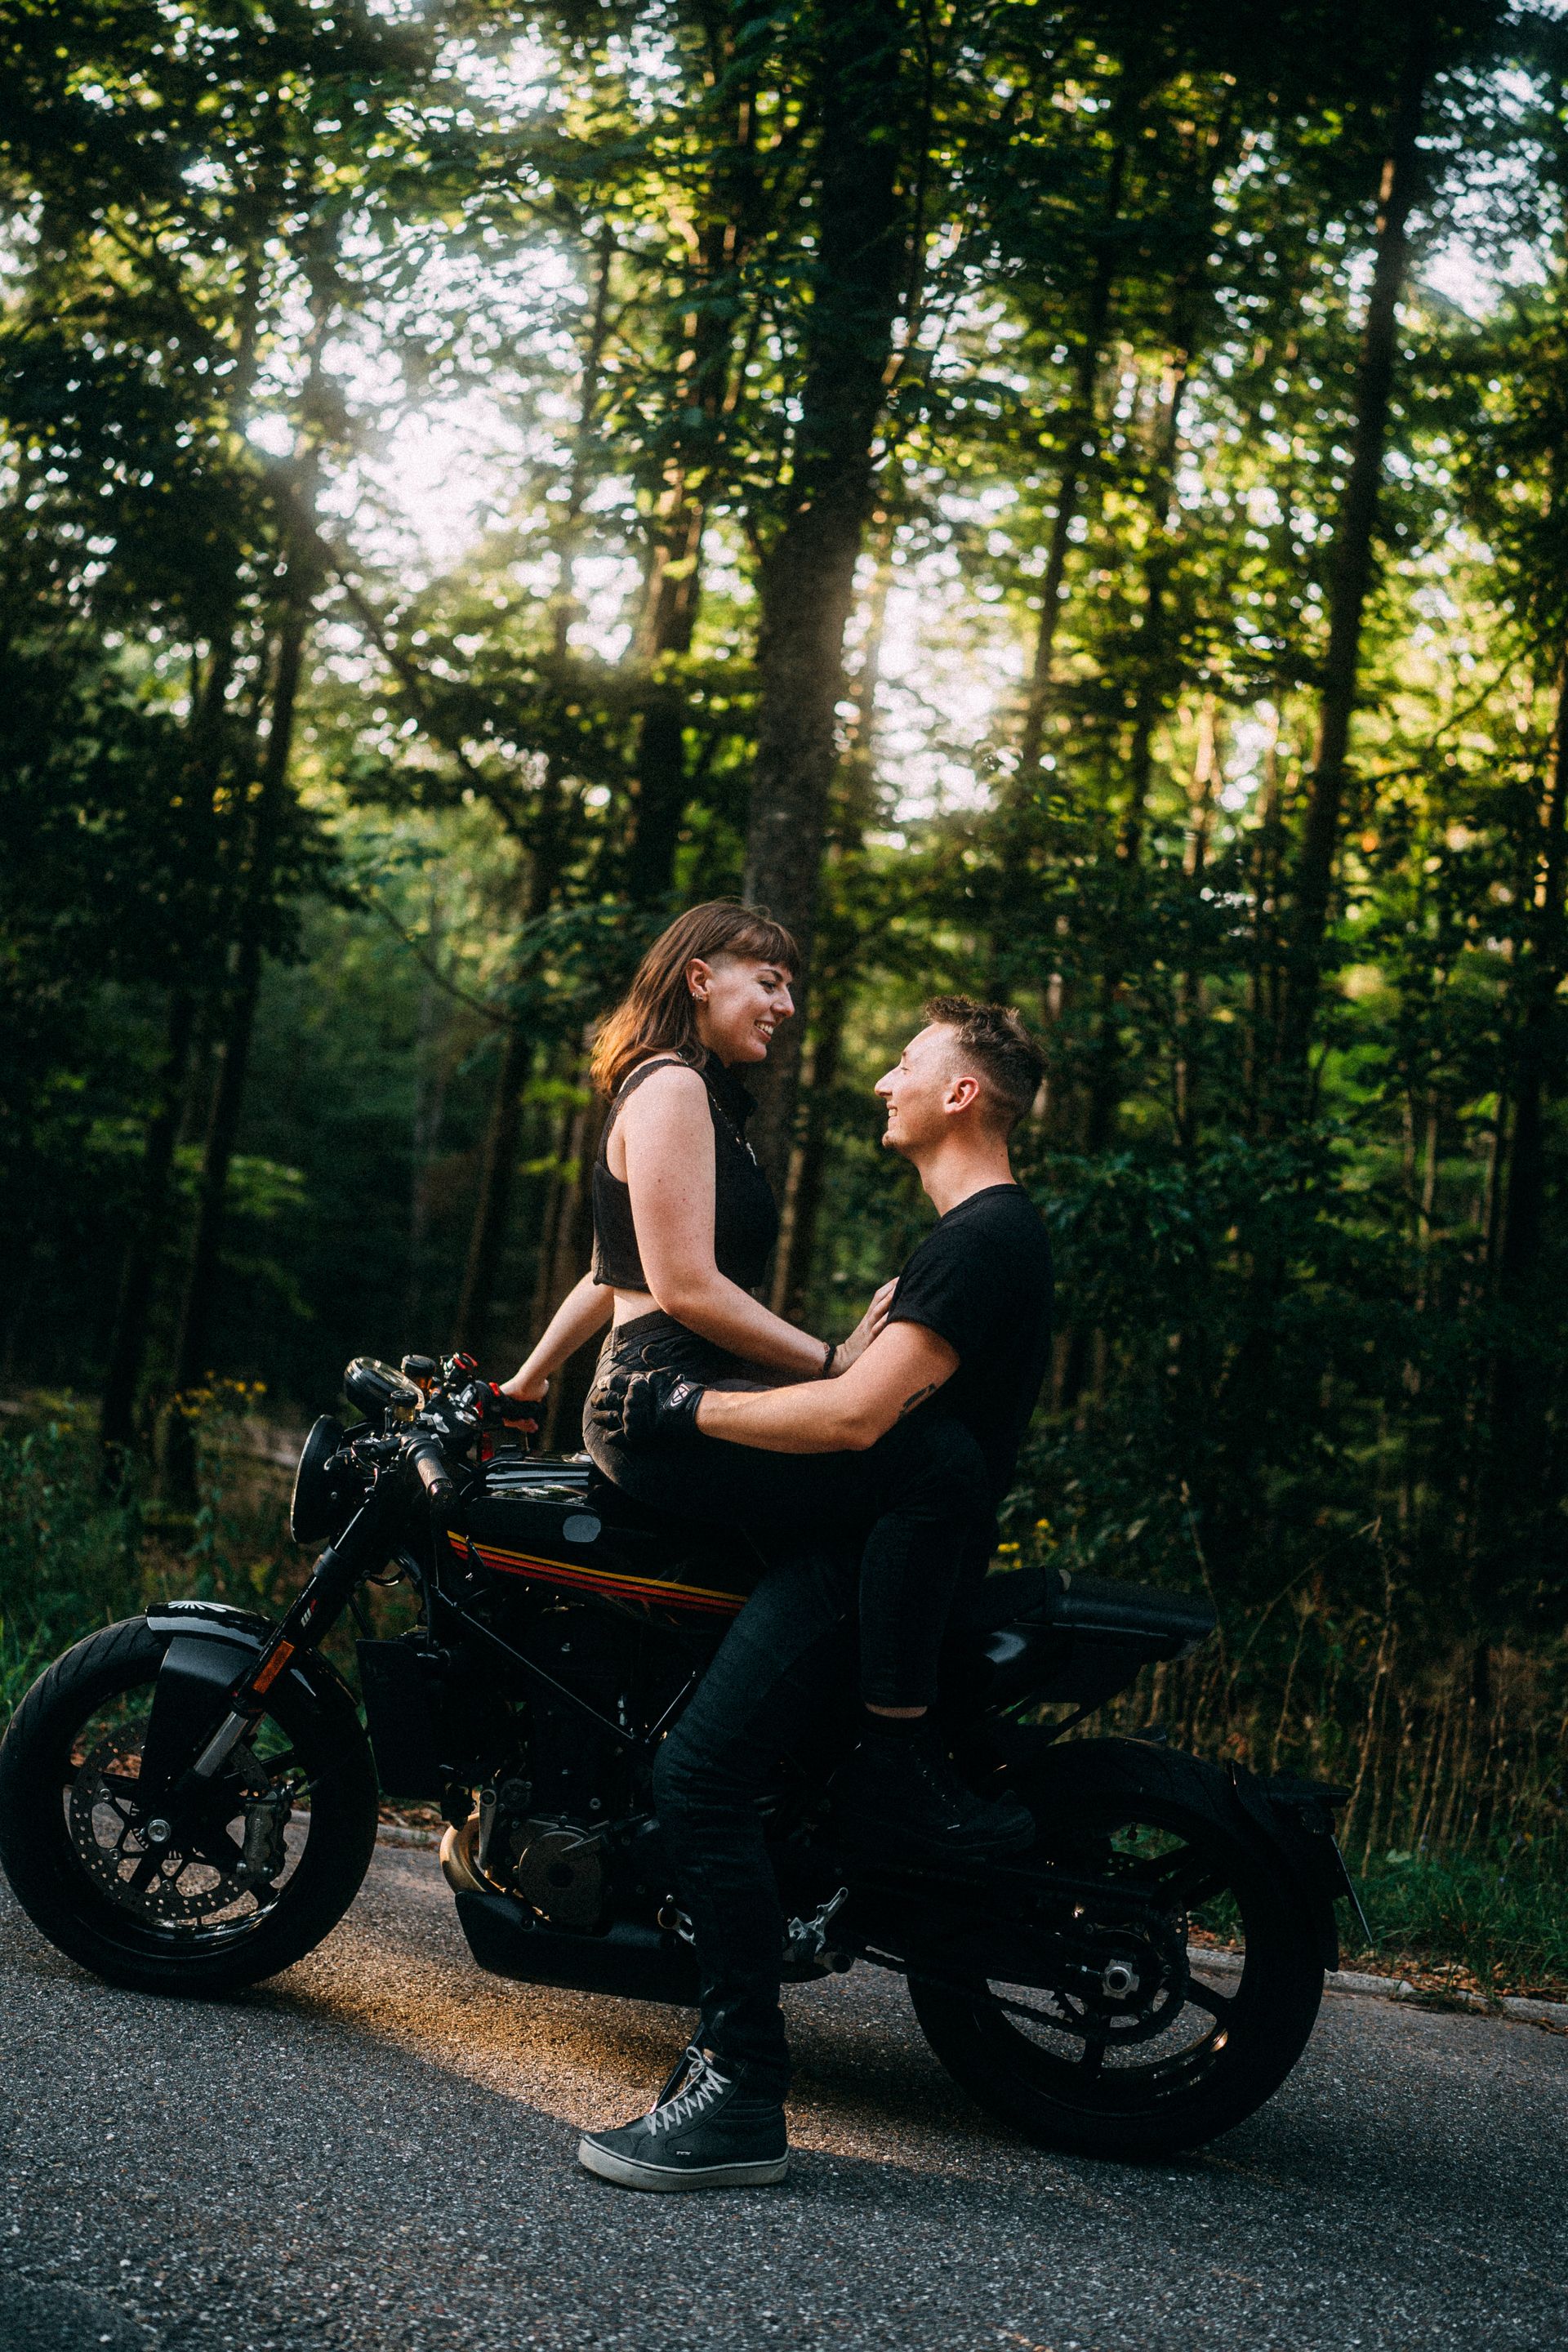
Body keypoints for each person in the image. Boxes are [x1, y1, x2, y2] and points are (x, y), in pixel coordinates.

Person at [573, 994, 1053, 2193]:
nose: (882, 1078)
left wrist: (679, 1407)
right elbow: (863, 1399)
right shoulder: (969, 1239)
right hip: (870, 1545)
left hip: (870, 1565)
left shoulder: (981, 1240)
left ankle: (739, 2093)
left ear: (961, 1095)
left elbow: (851, 1418)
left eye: (907, 1062)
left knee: (699, 1779)